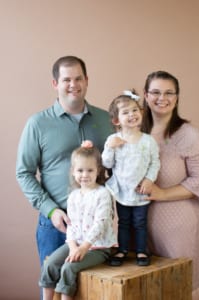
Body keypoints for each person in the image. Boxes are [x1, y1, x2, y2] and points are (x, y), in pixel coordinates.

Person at [16, 56, 113, 267]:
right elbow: (24, 173)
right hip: (57, 223)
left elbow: (117, 167)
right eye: (67, 80)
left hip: (97, 227)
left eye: (78, 79)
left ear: (87, 80)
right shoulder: (38, 124)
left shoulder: (106, 120)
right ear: (55, 84)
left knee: (96, 292)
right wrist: (51, 210)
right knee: (54, 288)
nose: (73, 85)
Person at [142, 70, 199, 290]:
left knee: (175, 287)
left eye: (168, 93)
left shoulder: (188, 135)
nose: (161, 98)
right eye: (155, 92)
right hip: (140, 223)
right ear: (145, 96)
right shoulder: (134, 132)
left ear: (177, 97)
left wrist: (162, 193)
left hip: (177, 225)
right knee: (144, 287)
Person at [39, 141, 117, 300]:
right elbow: (71, 225)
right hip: (77, 244)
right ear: (73, 172)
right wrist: (73, 247)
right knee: (50, 264)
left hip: (98, 247)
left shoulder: (102, 194)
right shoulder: (73, 196)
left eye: (90, 170)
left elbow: (100, 225)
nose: (85, 175)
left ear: (98, 171)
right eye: (80, 170)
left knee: (68, 268)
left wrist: (83, 248)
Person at [102, 90, 160, 266]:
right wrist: (110, 148)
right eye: (125, 112)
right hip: (122, 190)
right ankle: (122, 250)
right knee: (124, 222)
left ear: (141, 113)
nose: (132, 115)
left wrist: (149, 180)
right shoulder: (113, 139)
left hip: (140, 190)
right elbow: (106, 164)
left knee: (140, 223)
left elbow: (155, 163)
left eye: (135, 110)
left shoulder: (148, 141)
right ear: (116, 120)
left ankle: (142, 251)